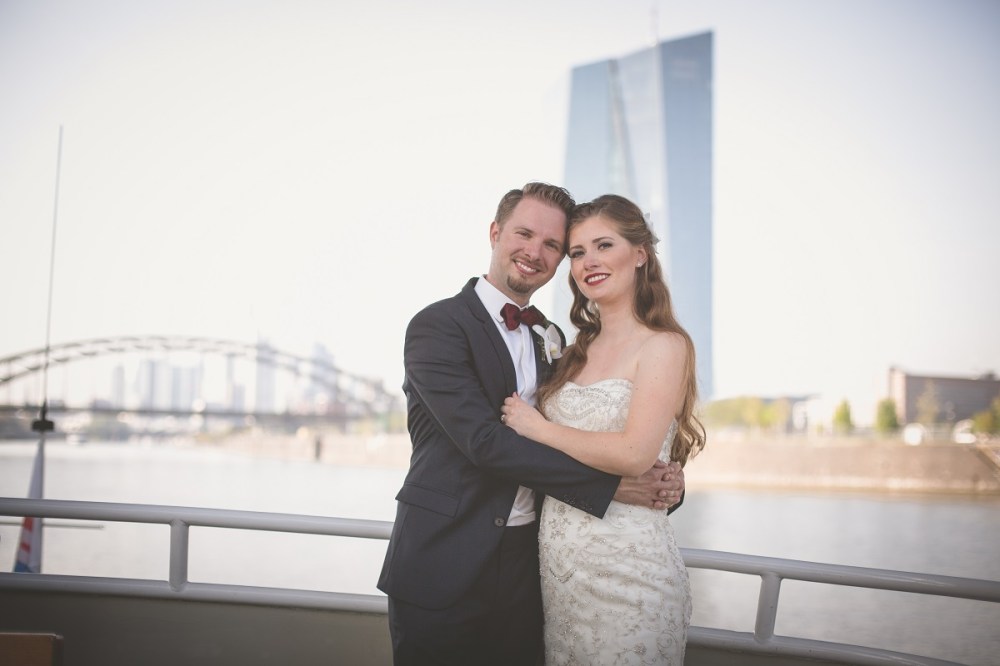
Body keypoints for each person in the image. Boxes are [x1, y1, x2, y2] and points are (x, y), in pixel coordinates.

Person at [377, 183, 686, 666]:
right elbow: (484, 442)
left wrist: (662, 483)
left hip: (533, 569)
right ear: (495, 233)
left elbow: (601, 428)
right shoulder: (437, 326)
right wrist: (612, 487)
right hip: (445, 560)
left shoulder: (554, 337)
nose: (534, 252)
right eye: (524, 234)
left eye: (552, 245)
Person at [501, 193, 706, 665]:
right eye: (577, 252)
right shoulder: (571, 351)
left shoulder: (664, 346)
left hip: (630, 573)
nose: (588, 262)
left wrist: (538, 428)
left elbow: (635, 454)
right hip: (561, 579)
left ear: (640, 254)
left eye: (604, 245)